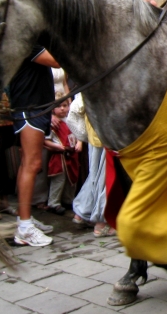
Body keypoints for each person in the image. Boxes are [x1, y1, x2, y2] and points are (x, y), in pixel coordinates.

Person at [10, 46, 59, 247]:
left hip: (34, 107)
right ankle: (25, 228)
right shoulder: (29, 42)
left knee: (28, 164)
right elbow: (56, 60)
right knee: (32, 164)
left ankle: (25, 217)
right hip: (29, 108)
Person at [72, 93, 114, 237]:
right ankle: (101, 222)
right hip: (105, 131)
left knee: (96, 175)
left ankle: (82, 211)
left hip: (95, 130)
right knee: (105, 177)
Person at [44, 95, 81, 215]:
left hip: (72, 154)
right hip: (60, 156)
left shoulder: (71, 120)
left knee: (72, 179)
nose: (62, 109)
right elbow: (46, 141)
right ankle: (53, 203)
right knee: (59, 180)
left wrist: (79, 143)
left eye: (65, 105)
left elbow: (79, 134)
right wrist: (58, 147)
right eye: (59, 106)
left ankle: (68, 199)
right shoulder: (54, 124)